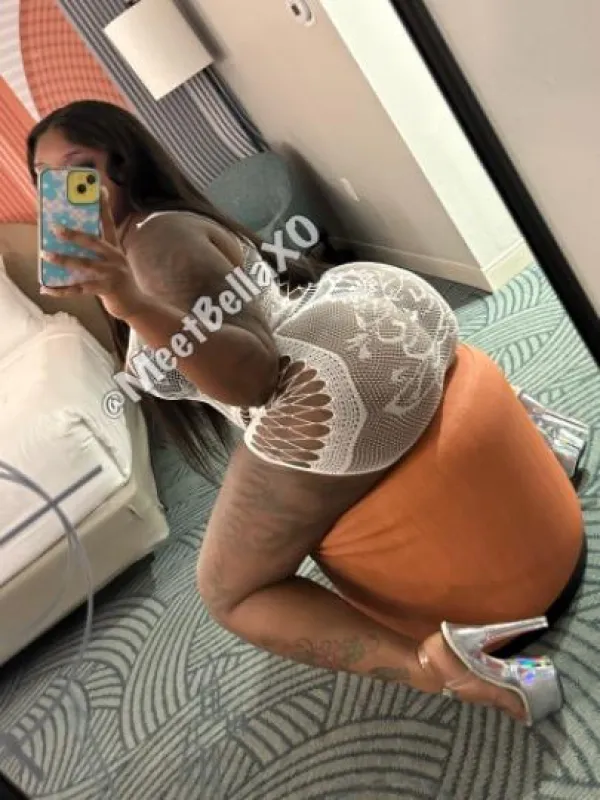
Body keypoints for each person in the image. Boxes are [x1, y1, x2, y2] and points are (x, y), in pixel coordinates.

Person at [28, 100, 587, 727]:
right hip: (378, 314)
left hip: (329, 388)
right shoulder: (161, 228)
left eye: (79, 168)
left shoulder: (152, 250)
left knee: (229, 592)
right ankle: (543, 438)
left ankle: (444, 668)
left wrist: (128, 301)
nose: (64, 190)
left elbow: (251, 380)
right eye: (47, 179)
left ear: (121, 165)